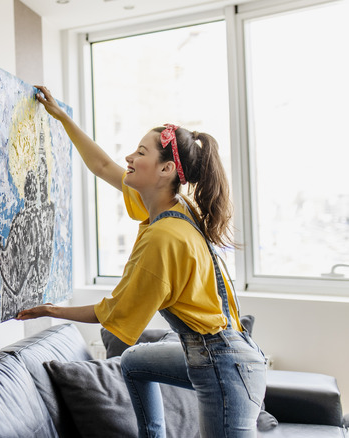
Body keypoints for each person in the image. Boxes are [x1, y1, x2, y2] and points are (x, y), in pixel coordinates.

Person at [17, 86, 266, 437]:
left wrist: (51, 311)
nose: (129, 157)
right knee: (134, 361)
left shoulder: (163, 238)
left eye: (140, 152)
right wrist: (61, 117)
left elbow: (112, 313)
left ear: (165, 169)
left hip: (225, 368)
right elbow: (102, 165)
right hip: (215, 351)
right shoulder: (175, 208)